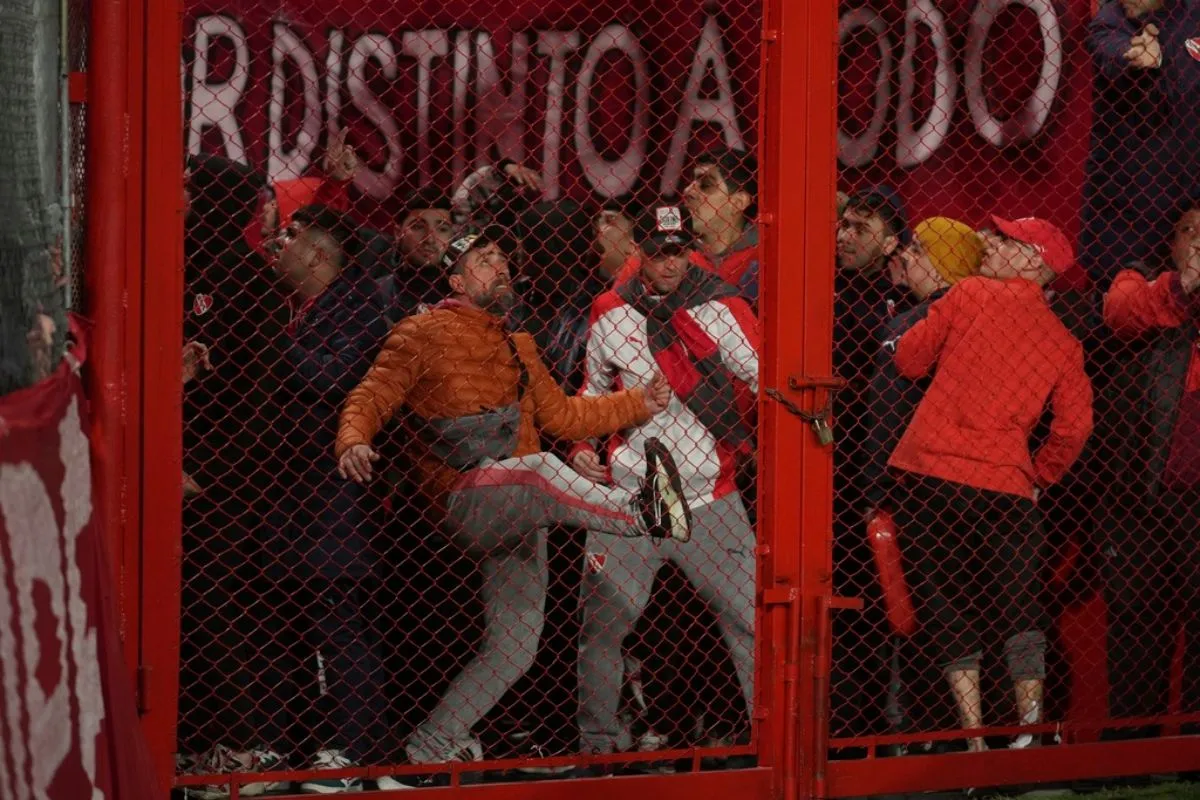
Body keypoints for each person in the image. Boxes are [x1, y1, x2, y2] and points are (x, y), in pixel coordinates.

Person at [334, 229, 692, 789]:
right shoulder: (421, 331)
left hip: (521, 505)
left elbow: (564, 418)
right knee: (542, 468)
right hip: (468, 496)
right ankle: (643, 512)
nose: (499, 266)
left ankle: (425, 753)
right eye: (484, 260)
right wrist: (353, 438)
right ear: (457, 281)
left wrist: (637, 402)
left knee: (514, 647)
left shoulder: (517, 342)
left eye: (502, 257)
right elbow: (372, 393)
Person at [888, 215, 1094, 752]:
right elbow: (1075, 427)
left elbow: (909, 360)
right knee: (1019, 607)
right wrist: (1040, 474)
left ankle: (974, 737)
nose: (990, 244)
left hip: (933, 473)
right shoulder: (1063, 340)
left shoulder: (970, 294)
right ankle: (1028, 730)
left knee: (947, 605)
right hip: (1005, 485)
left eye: (1005, 240)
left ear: (1032, 260)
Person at [571, 205, 759, 758]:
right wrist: (581, 446)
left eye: (678, 251)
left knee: (751, 623)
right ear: (639, 253)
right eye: (658, 253)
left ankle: (771, 743)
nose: (670, 264)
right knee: (601, 630)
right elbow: (591, 390)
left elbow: (767, 375)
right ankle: (596, 751)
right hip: (631, 495)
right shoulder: (609, 310)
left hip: (709, 494)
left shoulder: (723, 305)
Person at [251, 205, 394, 794]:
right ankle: (284, 746)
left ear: (316, 253)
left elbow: (333, 377)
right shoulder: (293, 307)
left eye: (288, 237)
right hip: (289, 493)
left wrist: (267, 344)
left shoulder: (360, 308)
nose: (276, 245)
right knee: (284, 621)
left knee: (338, 621)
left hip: (335, 495)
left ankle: (355, 752)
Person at [863, 218, 983, 737]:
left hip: (916, 489)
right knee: (977, 610)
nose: (905, 259)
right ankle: (983, 735)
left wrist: (873, 489)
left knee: (924, 617)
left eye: (916, 250)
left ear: (940, 260)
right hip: (981, 487)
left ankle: (931, 735)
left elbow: (887, 412)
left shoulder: (914, 323)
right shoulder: (990, 318)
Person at [1099, 192, 1200, 737]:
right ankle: (1129, 752)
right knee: (1136, 623)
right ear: (1172, 242)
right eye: (1191, 232)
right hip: (1142, 496)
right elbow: (1121, 315)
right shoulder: (1139, 279)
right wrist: (1185, 285)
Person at [830, 184, 913, 739]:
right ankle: (840, 723)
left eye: (861, 228)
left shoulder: (905, 303)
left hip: (884, 471)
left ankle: (880, 725)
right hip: (830, 467)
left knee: (888, 599)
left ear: (890, 243)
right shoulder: (820, 290)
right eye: (844, 225)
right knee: (840, 599)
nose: (845, 236)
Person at [1080, 0, 1200, 286]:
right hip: (1130, 207)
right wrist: (1133, 55)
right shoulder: (1114, 17)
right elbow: (1108, 47)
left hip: (1192, 199)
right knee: (1122, 296)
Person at [380, 186, 455, 321]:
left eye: (442, 229)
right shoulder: (376, 292)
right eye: (418, 227)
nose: (430, 239)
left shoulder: (460, 295)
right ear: (398, 233)